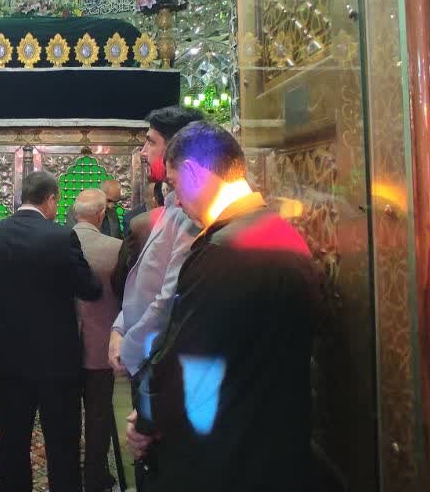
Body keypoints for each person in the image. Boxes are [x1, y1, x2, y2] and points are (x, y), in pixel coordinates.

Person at [125, 121, 321, 491]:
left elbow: (186, 360)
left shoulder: (224, 251)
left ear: (194, 173)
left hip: (223, 457)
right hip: (273, 449)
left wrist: (147, 418)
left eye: (174, 185)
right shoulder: (278, 231)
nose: (176, 200)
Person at [0, 171, 102, 492]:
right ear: (51, 199)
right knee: (63, 442)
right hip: (57, 360)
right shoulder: (61, 237)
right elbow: (89, 288)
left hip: (7, 359)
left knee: (12, 441)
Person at [110, 106, 204, 380]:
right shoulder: (173, 205)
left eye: (151, 142)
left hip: (159, 363)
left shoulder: (191, 212)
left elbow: (167, 300)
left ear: (176, 148)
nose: (143, 152)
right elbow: (143, 283)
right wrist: (119, 328)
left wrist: (129, 350)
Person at [70, 189, 123, 492]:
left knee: (64, 413)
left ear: (74, 213)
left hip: (63, 345)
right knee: (98, 415)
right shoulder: (116, 249)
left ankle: (66, 471)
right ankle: (94, 476)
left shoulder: (53, 246)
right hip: (101, 344)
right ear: (102, 215)